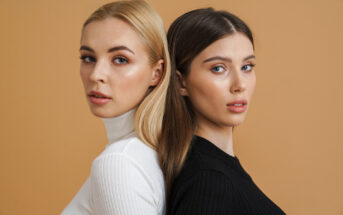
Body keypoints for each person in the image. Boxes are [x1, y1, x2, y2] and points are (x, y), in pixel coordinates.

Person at [158, 8, 286, 214]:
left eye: (247, 67)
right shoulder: (208, 179)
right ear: (181, 81)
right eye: (218, 68)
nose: (239, 85)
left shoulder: (216, 168)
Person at [61, 0, 170, 214]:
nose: (96, 75)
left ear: (156, 73)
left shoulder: (119, 163)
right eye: (88, 58)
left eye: (120, 59)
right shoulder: (150, 152)